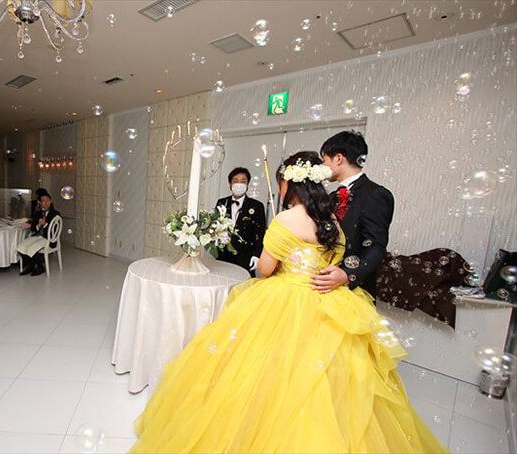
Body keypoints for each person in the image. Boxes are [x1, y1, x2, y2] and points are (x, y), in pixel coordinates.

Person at [129, 152, 446, 453]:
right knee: (328, 377)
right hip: (329, 300)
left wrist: (280, 259)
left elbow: (266, 269)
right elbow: (335, 260)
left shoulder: (285, 219)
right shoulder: (332, 222)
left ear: (290, 183)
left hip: (285, 299)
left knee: (259, 370)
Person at [310, 131, 394, 298]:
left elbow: (376, 245)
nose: (322, 165)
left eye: (324, 160)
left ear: (338, 158)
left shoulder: (376, 194)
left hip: (354, 291)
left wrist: (347, 274)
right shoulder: (332, 197)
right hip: (325, 286)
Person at [215, 167, 266, 277]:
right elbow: (215, 226)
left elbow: (260, 233)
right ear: (230, 184)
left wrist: (257, 255)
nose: (239, 184)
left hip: (245, 257)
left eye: (243, 181)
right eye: (235, 181)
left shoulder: (257, 206)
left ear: (248, 184)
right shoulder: (222, 202)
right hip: (224, 256)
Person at [16, 189, 61, 276]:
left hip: (49, 239)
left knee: (33, 247)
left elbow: (55, 230)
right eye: (43, 200)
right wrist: (38, 225)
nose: (46, 202)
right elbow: (33, 228)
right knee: (21, 247)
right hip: (37, 237)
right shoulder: (37, 214)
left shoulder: (55, 214)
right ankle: (32, 266)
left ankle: (39, 267)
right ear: (39, 202)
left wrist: (45, 224)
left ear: (51, 201)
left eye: (48, 200)